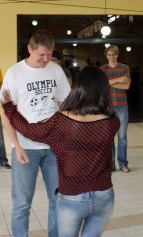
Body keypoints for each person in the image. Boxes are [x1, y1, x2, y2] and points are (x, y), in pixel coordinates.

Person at [2, 66, 119, 237]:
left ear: (77, 89)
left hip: (72, 198)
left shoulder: (61, 122)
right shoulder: (113, 121)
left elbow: (28, 130)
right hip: (104, 196)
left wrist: (9, 108)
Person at [0, 29, 71, 237]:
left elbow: (66, 105)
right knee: (21, 204)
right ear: (29, 49)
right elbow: (6, 113)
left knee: (58, 200)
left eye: (49, 54)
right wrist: (16, 145)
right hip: (26, 149)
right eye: (41, 55)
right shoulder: (14, 73)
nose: (46, 59)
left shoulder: (55, 70)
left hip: (54, 148)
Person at [100, 45, 131, 172]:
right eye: (109, 55)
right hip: (107, 107)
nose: (111, 57)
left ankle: (123, 163)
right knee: (109, 137)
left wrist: (110, 82)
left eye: (114, 54)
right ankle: (111, 164)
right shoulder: (102, 69)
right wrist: (119, 80)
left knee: (122, 136)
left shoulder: (124, 68)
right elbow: (102, 85)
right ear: (106, 56)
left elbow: (127, 86)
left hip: (122, 106)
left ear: (117, 55)